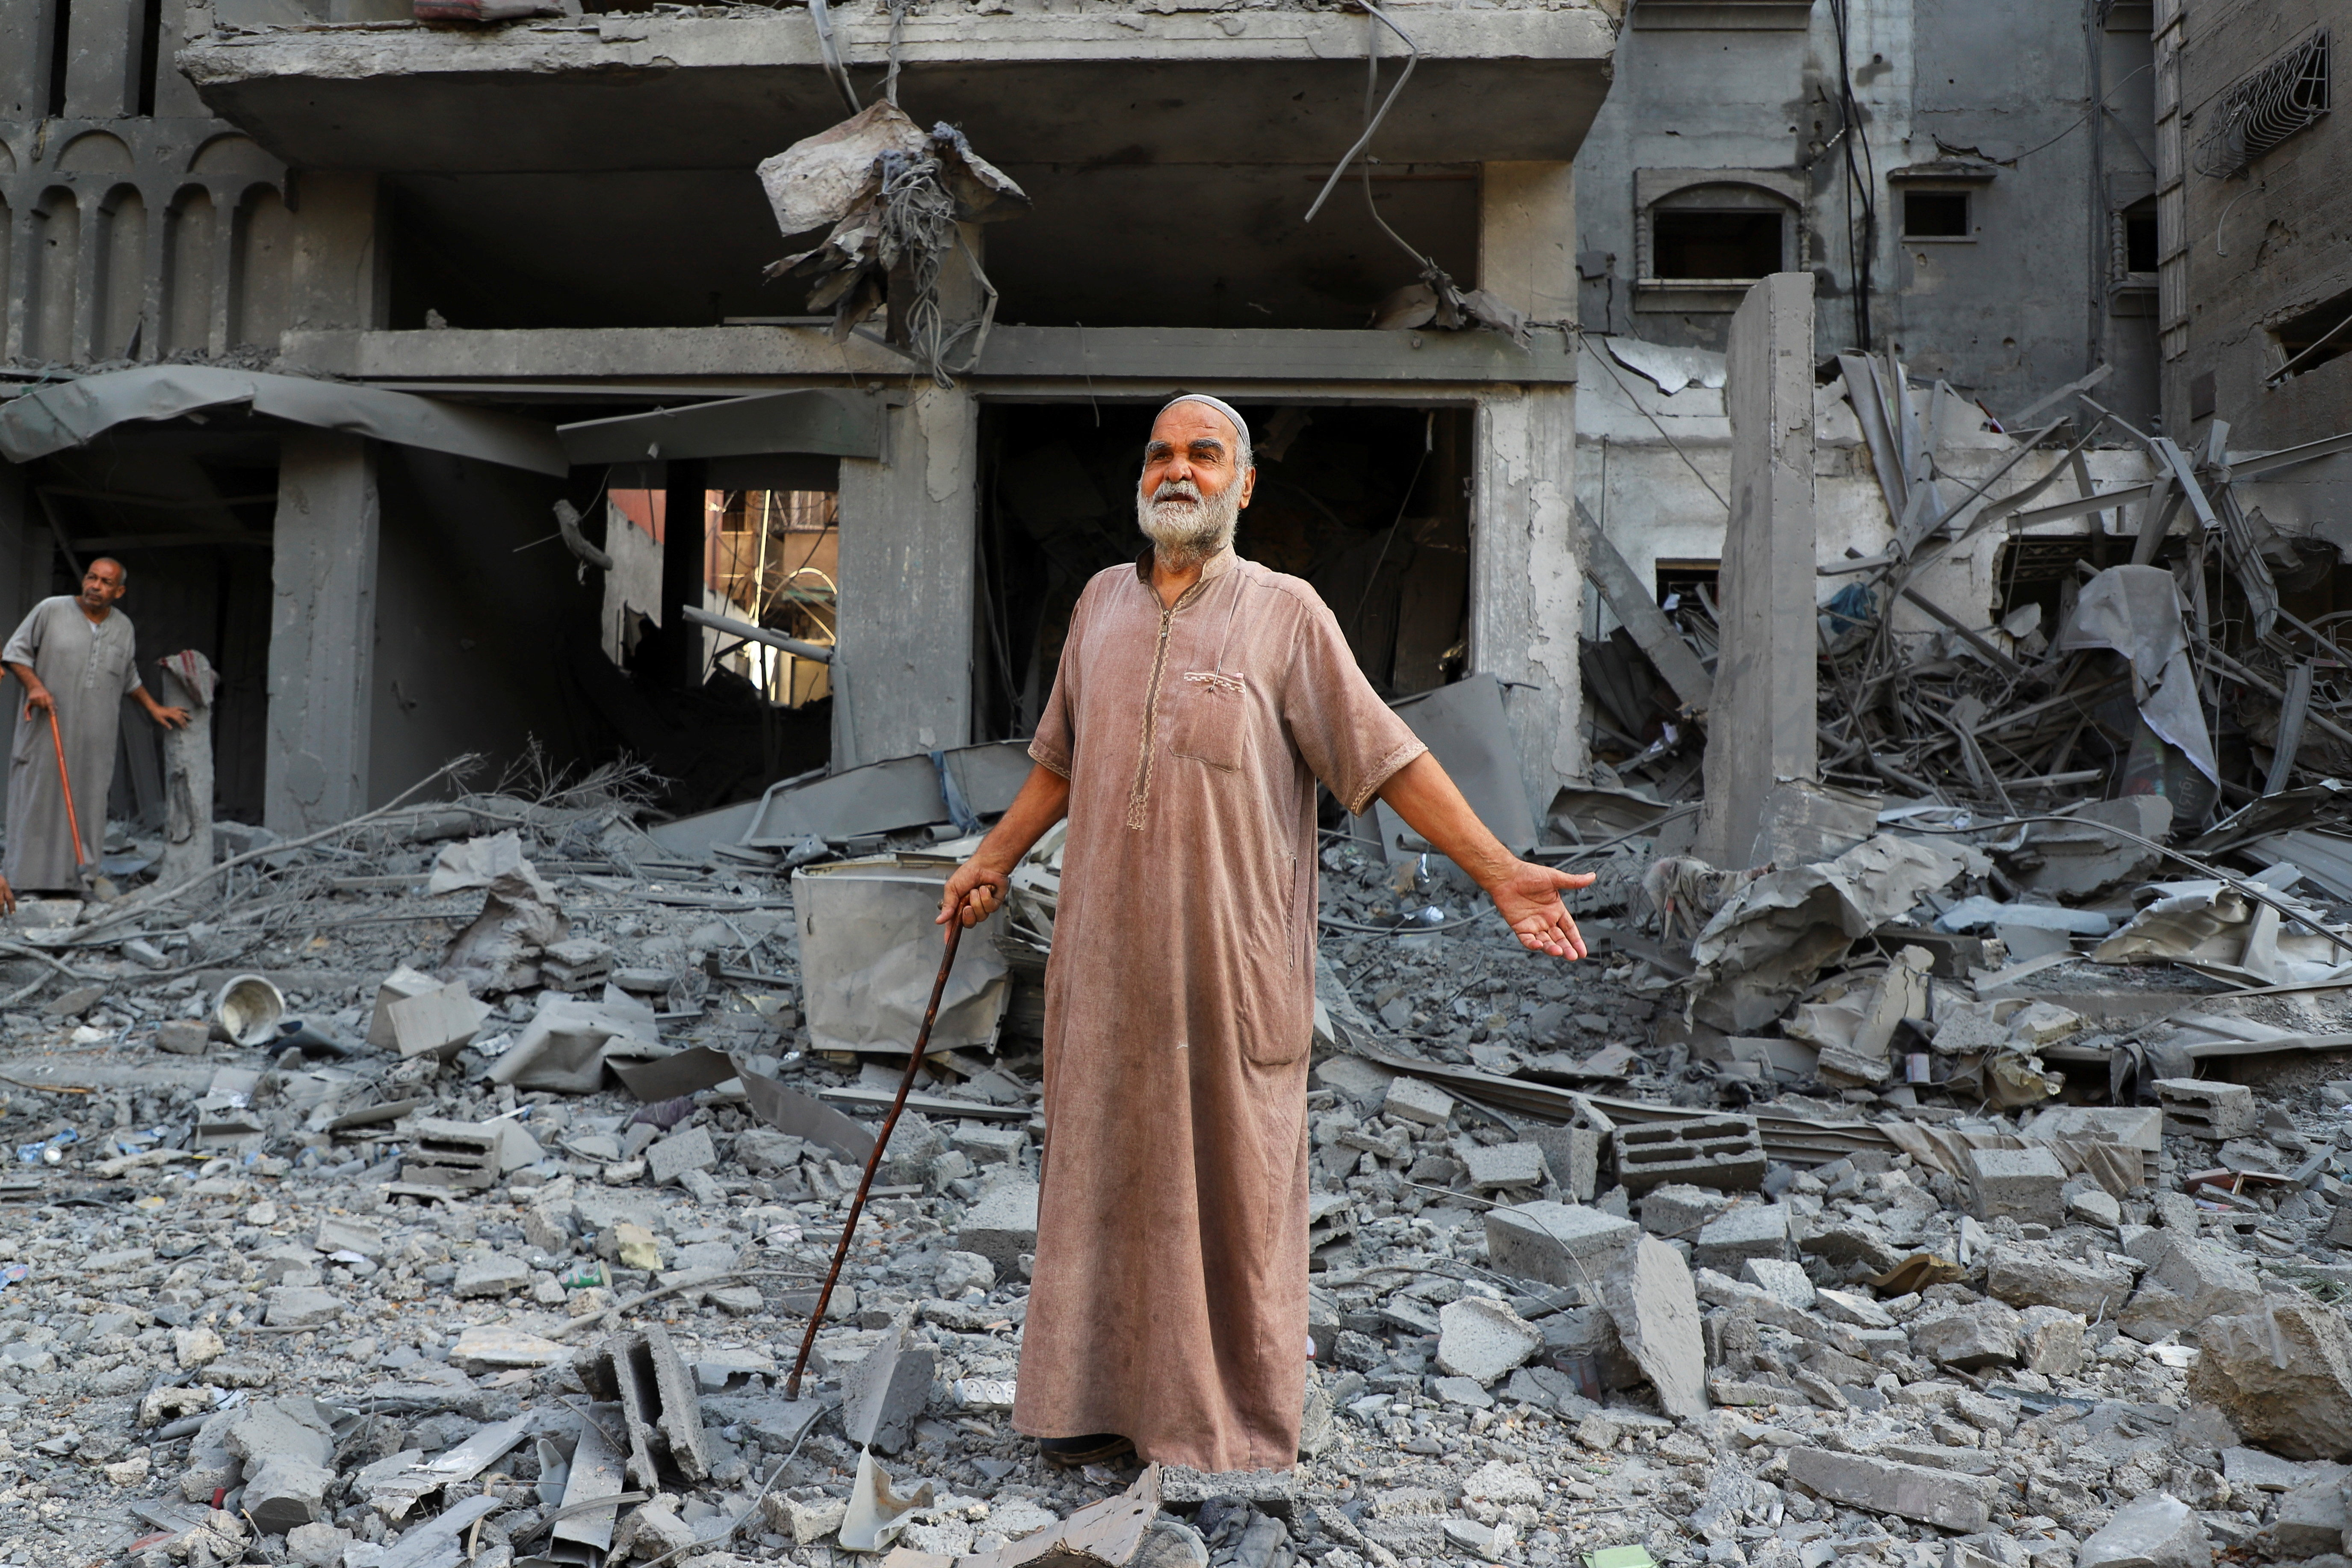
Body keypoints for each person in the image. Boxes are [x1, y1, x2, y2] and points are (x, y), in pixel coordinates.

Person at [935, 395, 1595, 1474]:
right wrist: (993, 856)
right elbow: (1061, 760)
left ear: (1243, 485)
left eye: (1204, 454)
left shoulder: (1286, 614)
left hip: (1227, 972)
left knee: (1230, 1195)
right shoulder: (1100, 604)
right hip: (1103, 968)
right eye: (1159, 454)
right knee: (1099, 1178)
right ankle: (1084, 1405)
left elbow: (1386, 760)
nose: (1176, 470)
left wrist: (1499, 871)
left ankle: (1221, 1430)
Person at [4, 559, 190, 895]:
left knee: (87, 801)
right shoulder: (51, 610)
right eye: (92, 577)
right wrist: (34, 685)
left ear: (118, 592)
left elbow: (128, 676)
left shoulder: (124, 627)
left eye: (106, 582)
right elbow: (16, 653)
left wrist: (154, 707)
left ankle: (77, 880)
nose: (95, 586)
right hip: (48, 729)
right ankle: (25, 882)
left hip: (96, 737)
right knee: (38, 799)